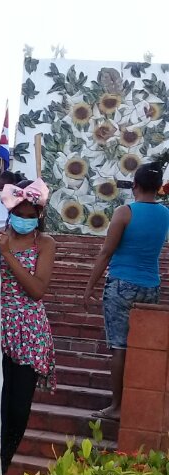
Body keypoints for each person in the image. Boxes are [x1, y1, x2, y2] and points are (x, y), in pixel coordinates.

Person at [0, 179, 56, 475]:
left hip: (28, 332)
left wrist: (9, 255)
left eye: (30, 213)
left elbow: (37, 290)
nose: (23, 218)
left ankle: (1, 471)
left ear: (39, 214)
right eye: (18, 213)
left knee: (18, 409)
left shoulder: (45, 244)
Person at [84, 163, 169, 421]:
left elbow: (106, 252)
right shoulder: (165, 214)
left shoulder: (125, 212)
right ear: (157, 188)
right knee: (141, 347)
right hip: (151, 286)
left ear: (135, 186)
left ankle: (118, 406)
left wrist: (89, 287)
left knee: (120, 347)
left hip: (121, 285)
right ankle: (140, 404)